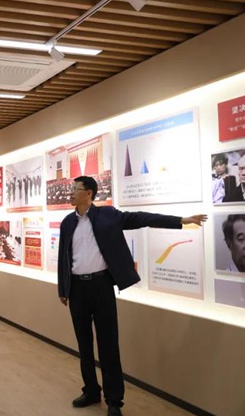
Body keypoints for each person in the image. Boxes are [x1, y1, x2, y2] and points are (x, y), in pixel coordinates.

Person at [57, 176, 206, 416]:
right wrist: (63, 288)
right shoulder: (67, 222)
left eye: (76, 189)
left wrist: (180, 220)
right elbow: (64, 258)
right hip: (77, 290)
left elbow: (142, 218)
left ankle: (114, 400)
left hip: (101, 286)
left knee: (108, 345)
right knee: (84, 345)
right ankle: (91, 391)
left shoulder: (108, 215)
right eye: (72, 188)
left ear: (89, 193)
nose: (71, 192)